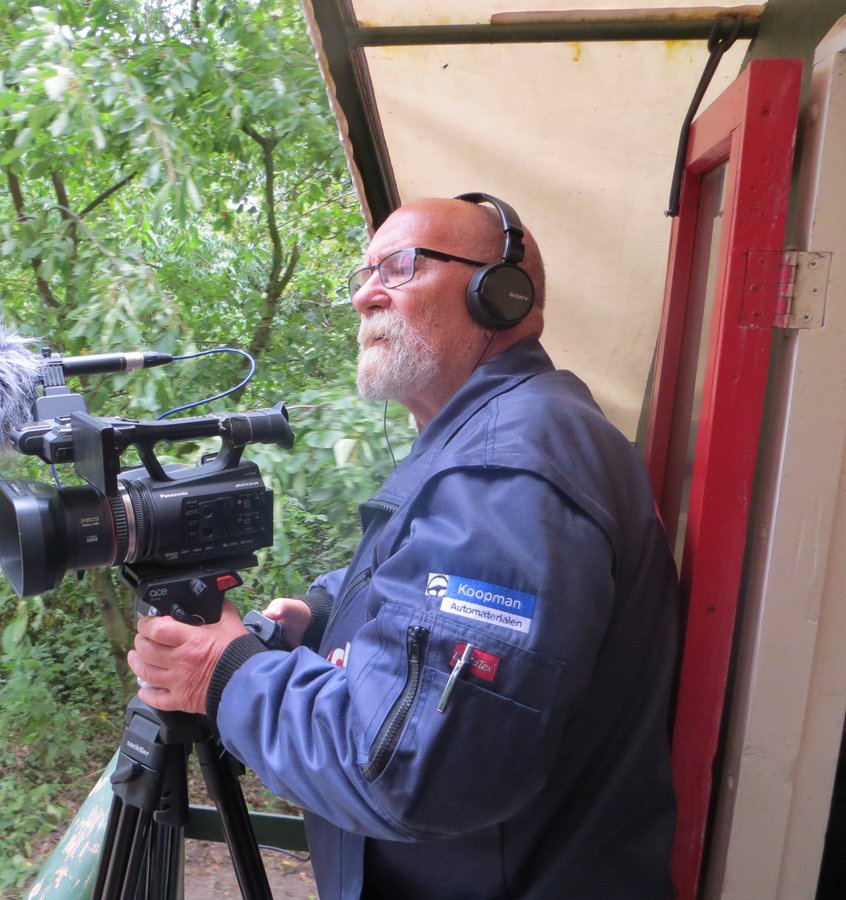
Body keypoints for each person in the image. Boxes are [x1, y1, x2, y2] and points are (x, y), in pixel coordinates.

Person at [128, 196, 679, 899]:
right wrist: (327, 610)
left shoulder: (506, 470)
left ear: (500, 296)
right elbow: (430, 573)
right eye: (362, 272)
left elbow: (405, 768)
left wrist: (226, 674)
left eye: (400, 265)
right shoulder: (493, 433)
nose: (365, 295)